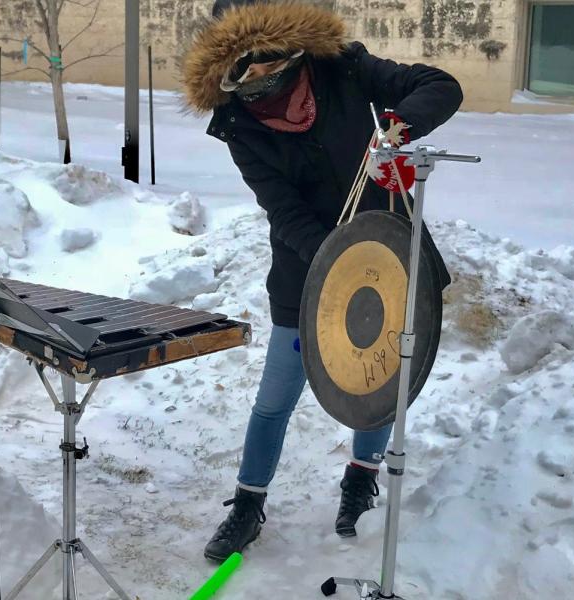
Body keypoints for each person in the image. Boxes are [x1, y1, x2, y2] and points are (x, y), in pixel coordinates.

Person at [181, 0, 462, 562]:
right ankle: (248, 503)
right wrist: (337, 262)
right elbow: (284, 213)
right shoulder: (240, 125)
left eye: (270, 67)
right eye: (245, 77)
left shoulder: (345, 69)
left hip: (391, 259)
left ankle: (360, 478)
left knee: (379, 385)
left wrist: (397, 126)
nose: (262, 85)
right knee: (274, 399)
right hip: (305, 273)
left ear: (293, 51)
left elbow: (440, 84)